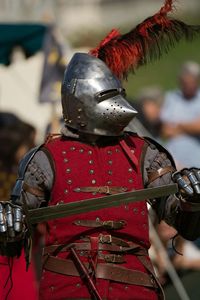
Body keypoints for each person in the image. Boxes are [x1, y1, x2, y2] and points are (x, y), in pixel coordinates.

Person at [1, 1, 200, 299]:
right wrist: (9, 225)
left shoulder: (145, 152)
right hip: (68, 290)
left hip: (136, 289)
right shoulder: (45, 158)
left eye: (118, 93)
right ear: (79, 102)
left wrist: (192, 200)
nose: (118, 102)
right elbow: (18, 236)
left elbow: (183, 221)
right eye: (108, 94)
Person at [161, 61, 200, 169]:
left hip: (196, 161)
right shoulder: (171, 97)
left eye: (192, 81)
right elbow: (166, 130)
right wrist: (190, 126)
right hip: (175, 161)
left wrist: (178, 126)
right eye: (186, 82)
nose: (189, 85)